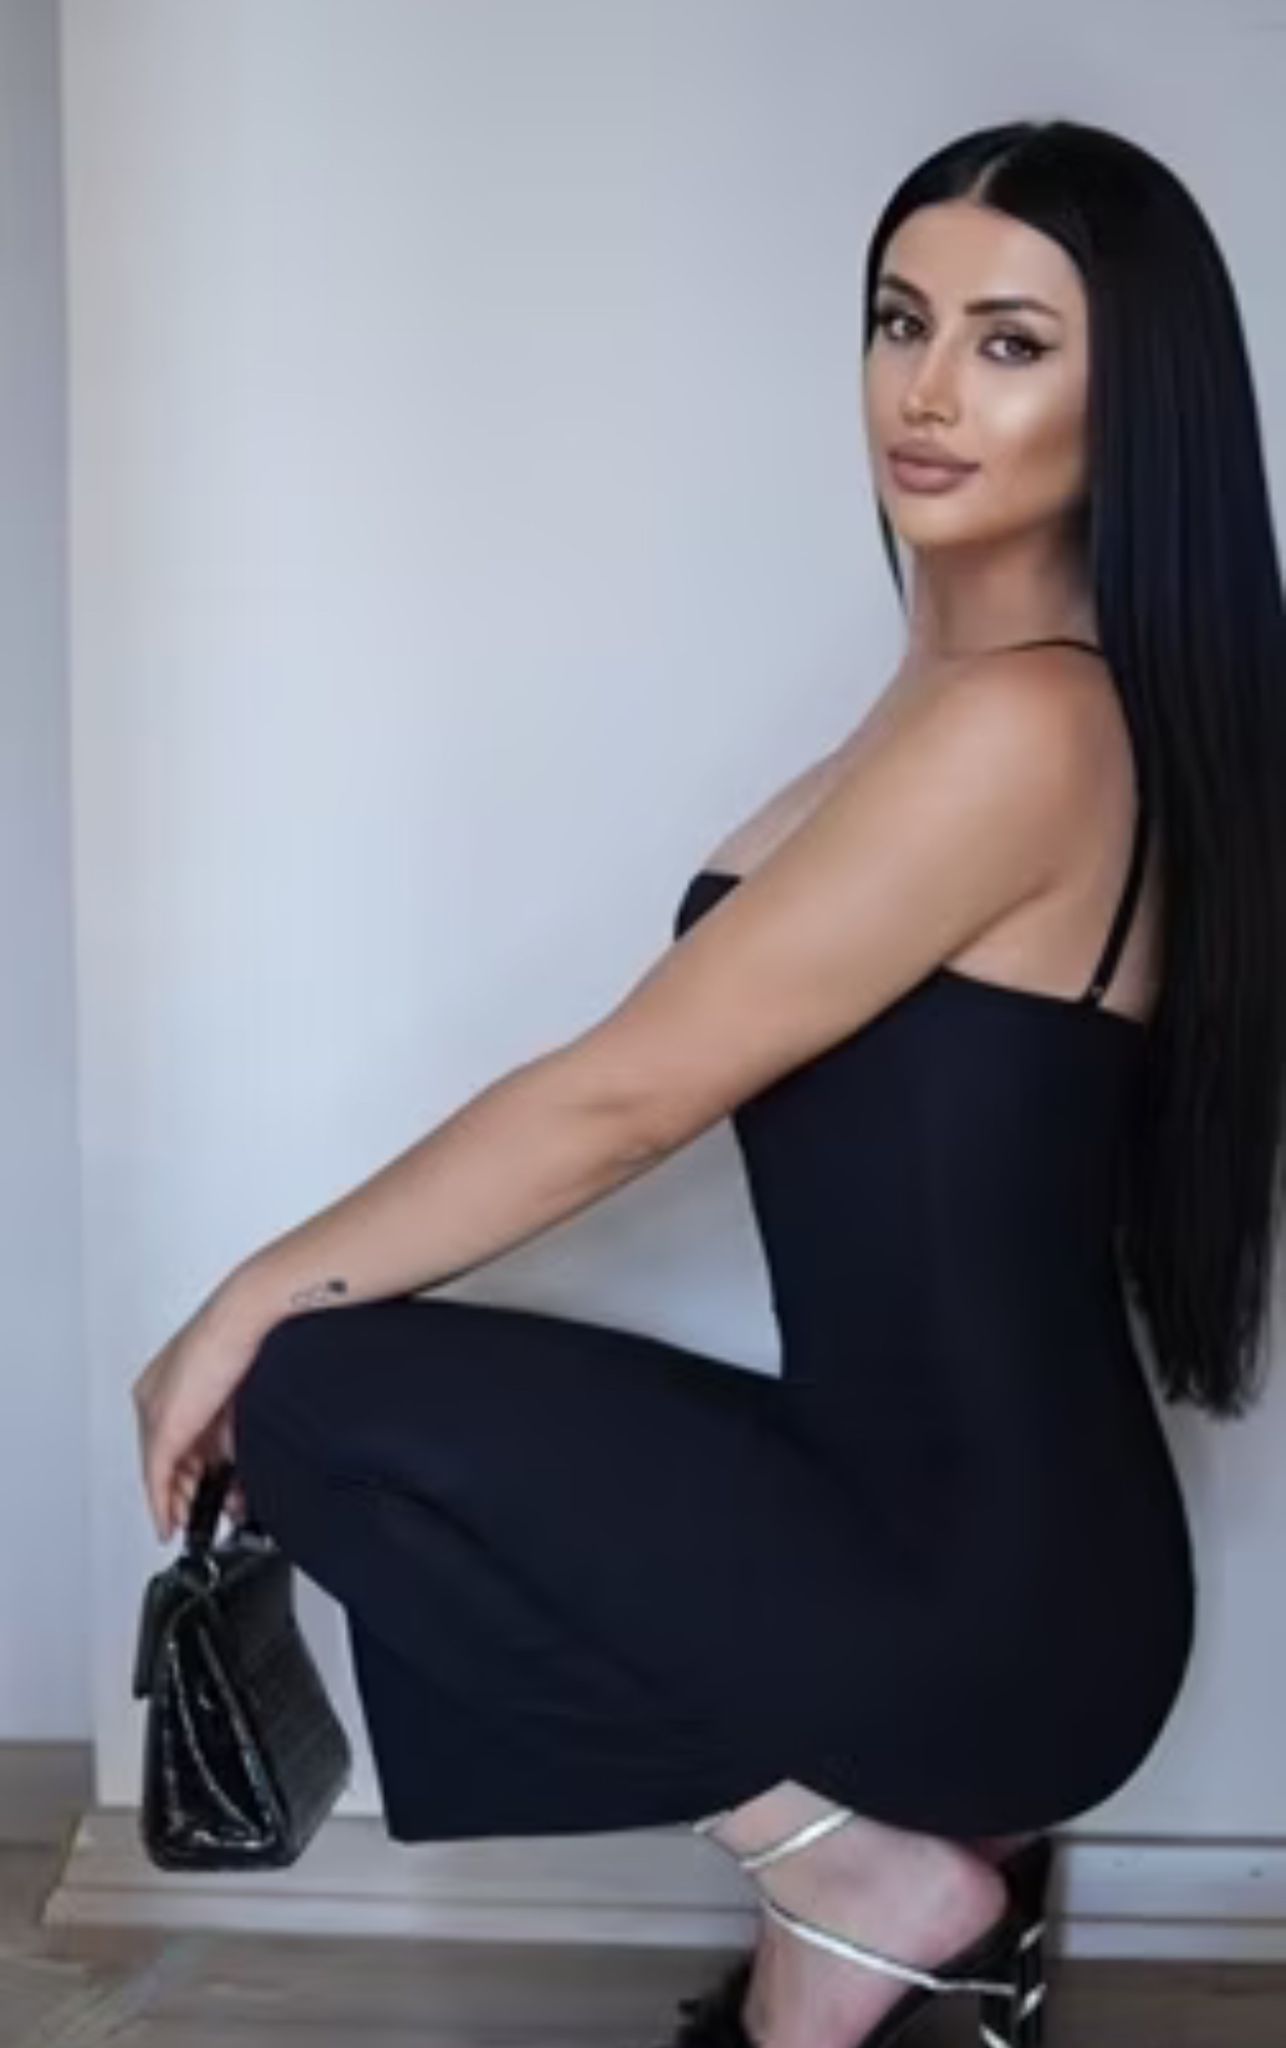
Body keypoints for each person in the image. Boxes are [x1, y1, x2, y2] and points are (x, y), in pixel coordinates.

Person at [132, 116, 1286, 2048]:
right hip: (947, 1528)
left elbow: (624, 1099)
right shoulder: (966, 701)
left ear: (1133, 400)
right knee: (338, 1387)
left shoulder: (1030, 727)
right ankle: (894, 1872)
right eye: (898, 321)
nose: (925, 391)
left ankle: (855, 1868)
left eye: (1010, 343)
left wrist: (242, 1298)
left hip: (990, 1590)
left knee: (316, 1390)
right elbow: (662, 1065)